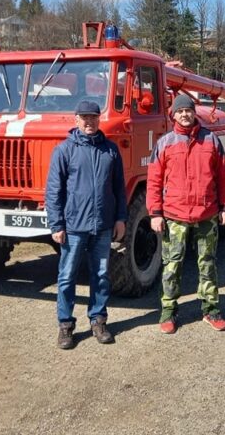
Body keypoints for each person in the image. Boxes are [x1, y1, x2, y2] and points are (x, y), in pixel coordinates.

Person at [147, 94, 225, 334]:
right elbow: (153, 180)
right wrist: (155, 213)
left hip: (207, 214)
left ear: (195, 113)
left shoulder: (212, 141)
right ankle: (168, 311)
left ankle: (211, 309)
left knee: (207, 263)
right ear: (173, 114)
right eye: (180, 111)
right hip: (174, 215)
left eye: (188, 110)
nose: (185, 114)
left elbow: (224, 177)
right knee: (172, 265)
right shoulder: (165, 143)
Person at [45, 100, 127, 349]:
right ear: (76, 120)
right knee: (67, 277)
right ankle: (66, 326)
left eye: (93, 117)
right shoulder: (64, 151)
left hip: (102, 226)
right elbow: (53, 191)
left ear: (99, 119)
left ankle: (99, 320)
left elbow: (119, 189)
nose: (89, 122)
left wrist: (121, 218)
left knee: (101, 275)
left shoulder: (110, 151)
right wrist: (57, 224)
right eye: (84, 118)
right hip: (74, 227)